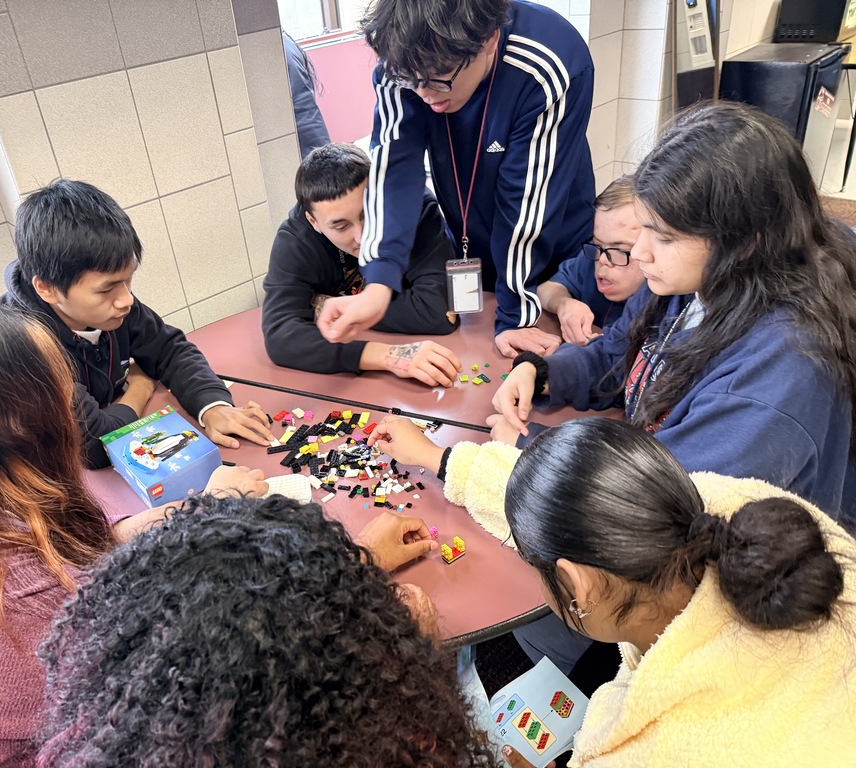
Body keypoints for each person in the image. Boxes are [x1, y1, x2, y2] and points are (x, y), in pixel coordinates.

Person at [0, 291, 269, 768]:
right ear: (18, 430)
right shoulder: (17, 603)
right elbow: (203, 699)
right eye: (59, 399)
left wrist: (158, 522)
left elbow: (51, 554)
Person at [368, 416, 856, 766]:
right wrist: (439, 457)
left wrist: (422, 677)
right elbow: (581, 504)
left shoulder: (650, 750)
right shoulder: (734, 509)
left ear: (578, 587)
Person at [494, 101, 856, 522]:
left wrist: (533, 451)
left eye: (663, 237)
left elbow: (669, 503)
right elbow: (618, 353)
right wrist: (542, 374)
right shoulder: (696, 280)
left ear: (743, 242)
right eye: (644, 228)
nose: (642, 254)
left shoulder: (775, 375)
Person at [36, 494, 498, 767]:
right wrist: (419, 655)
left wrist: (352, 571)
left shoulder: (117, 739)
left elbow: (250, 611)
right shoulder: (391, 743)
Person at [316, 0, 595, 359]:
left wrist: (515, 315)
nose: (424, 93)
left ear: (489, 41)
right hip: (476, 244)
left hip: (554, 252)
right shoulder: (406, 67)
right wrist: (379, 283)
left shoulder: (548, 62)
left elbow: (525, 202)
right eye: (410, 80)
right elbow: (394, 169)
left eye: (440, 77)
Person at [1, 179, 274, 469]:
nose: (126, 300)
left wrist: (213, 405)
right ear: (47, 288)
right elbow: (95, 445)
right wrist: (141, 387)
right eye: (107, 289)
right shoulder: (22, 344)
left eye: (128, 280)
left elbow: (170, 350)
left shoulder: (114, 306)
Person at [263, 142, 462, 386]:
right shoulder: (296, 240)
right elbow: (281, 337)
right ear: (313, 222)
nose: (363, 237)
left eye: (368, 215)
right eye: (341, 226)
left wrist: (324, 304)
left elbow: (439, 312)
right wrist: (385, 355)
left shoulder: (415, 208)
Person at [537, 175, 644, 345]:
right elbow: (546, 289)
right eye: (598, 244)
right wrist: (564, 304)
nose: (602, 260)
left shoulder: (669, 301)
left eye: (620, 250)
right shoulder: (591, 257)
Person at [282, 31, 332, 158]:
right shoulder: (284, 45)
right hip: (310, 143)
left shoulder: (282, 50)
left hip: (309, 145)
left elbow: (304, 110)